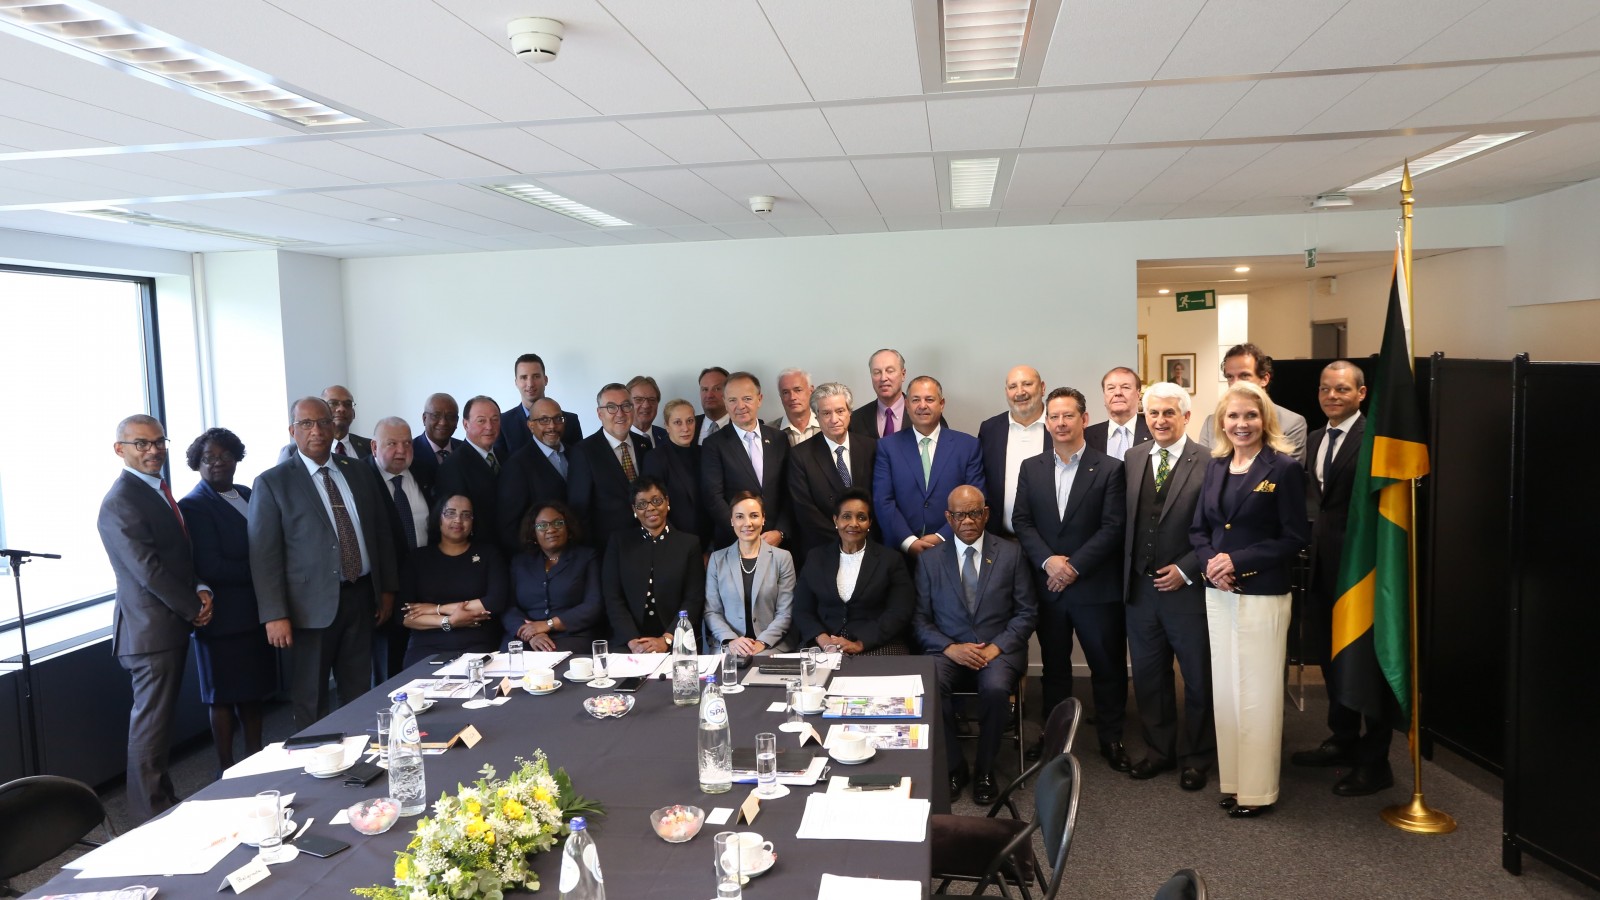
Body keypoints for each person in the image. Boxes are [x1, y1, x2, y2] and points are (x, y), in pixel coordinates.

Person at [1190, 381, 1310, 818]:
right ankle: (1235, 781)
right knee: (1226, 691)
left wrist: (1234, 562)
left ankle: (1259, 791)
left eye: (1250, 415)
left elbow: (1295, 537)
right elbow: (1198, 529)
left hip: (1261, 594)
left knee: (1256, 694)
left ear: (1265, 419)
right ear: (1222, 422)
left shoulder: (1283, 468)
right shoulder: (1217, 465)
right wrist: (1210, 564)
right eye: (1234, 416)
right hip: (1218, 593)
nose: (1242, 424)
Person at [249, 396, 398, 730]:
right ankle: (313, 764)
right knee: (311, 696)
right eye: (306, 424)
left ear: (334, 427)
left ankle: (361, 757)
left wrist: (386, 588)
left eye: (324, 422)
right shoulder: (273, 482)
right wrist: (274, 615)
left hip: (360, 597)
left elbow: (379, 532)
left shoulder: (357, 471)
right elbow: (264, 555)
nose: (316, 430)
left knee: (359, 689)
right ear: (292, 430)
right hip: (307, 609)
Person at [98, 415, 213, 822]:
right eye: (141, 444)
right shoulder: (121, 501)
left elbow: (176, 558)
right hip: (149, 632)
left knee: (158, 727)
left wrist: (199, 588)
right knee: (150, 729)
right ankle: (148, 816)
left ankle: (161, 803)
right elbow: (148, 570)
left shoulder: (154, 491)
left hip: (165, 626)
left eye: (158, 442)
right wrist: (192, 607)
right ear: (120, 450)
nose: (153, 450)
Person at [1290, 361, 1395, 796]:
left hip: (1362, 572)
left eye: (1342, 389)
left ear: (1361, 393)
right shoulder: (1315, 439)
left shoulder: (1376, 442)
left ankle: (1376, 761)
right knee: (1333, 661)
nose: (1332, 396)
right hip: (1320, 570)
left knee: (1366, 665)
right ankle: (1343, 739)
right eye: (1325, 389)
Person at [1012, 387, 1129, 771]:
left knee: (1106, 666)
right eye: (1055, 417)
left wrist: (1073, 567)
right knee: (1054, 667)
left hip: (1094, 588)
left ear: (1084, 418)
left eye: (1068, 416)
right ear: (1047, 422)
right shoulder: (1032, 467)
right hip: (1049, 588)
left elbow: (1113, 528)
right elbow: (1022, 522)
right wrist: (1048, 562)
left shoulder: (1110, 468)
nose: (1060, 423)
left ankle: (1112, 737)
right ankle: (1054, 737)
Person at [913, 485, 1037, 804]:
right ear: (948, 518)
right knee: (929, 686)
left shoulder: (1011, 553)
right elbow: (919, 619)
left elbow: (1027, 612)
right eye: (958, 515)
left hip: (997, 650)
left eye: (973, 513)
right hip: (948, 650)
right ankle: (955, 767)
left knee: (996, 690)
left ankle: (985, 769)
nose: (966, 521)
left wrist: (997, 646)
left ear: (985, 514)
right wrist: (949, 648)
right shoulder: (929, 561)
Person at [1121, 383, 1214, 791]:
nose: (1159, 420)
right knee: (1148, 677)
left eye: (1169, 413)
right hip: (1139, 591)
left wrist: (1188, 568)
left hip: (1187, 591)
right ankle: (1160, 751)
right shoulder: (1132, 457)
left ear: (1186, 417)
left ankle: (1197, 757)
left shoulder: (1210, 462)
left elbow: (1215, 528)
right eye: (1153, 413)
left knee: (1197, 679)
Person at [178, 428, 274, 773]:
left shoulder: (247, 493)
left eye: (224, 456)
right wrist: (264, 570)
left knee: (251, 694)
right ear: (197, 464)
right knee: (222, 698)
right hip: (221, 620)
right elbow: (210, 565)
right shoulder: (194, 505)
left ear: (236, 458)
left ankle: (256, 758)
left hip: (253, 615)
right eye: (208, 458)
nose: (217, 463)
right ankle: (226, 767)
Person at [873, 375, 986, 559]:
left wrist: (941, 537)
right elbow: (883, 500)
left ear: (941, 404)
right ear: (907, 405)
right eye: (915, 400)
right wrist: (909, 541)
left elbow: (976, 500)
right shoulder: (887, 447)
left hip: (953, 549)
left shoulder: (968, 446)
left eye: (929, 399)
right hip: (899, 552)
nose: (922, 405)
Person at [793, 489, 914, 655]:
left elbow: (900, 611)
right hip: (824, 643)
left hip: (876, 643)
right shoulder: (816, 558)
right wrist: (825, 641)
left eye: (862, 517)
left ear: (870, 522)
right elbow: (802, 609)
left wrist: (860, 643)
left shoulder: (891, 559)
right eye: (846, 516)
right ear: (836, 520)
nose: (854, 523)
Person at [398, 494, 507, 667]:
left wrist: (436, 609)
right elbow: (405, 615)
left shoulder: (489, 554)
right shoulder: (418, 558)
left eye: (466, 515)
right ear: (438, 519)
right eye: (450, 513)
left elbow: (494, 602)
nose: (458, 520)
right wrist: (449, 621)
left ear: (472, 522)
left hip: (476, 642)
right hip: (426, 645)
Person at [604, 476, 706, 653]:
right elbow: (613, 597)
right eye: (642, 504)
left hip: (675, 640)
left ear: (667, 502)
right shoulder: (619, 542)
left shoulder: (689, 544)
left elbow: (693, 599)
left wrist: (666, 639)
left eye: (656, 501)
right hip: (628, 642)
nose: (650, 508)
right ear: (634, 510)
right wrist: (632, 641)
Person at [370, 416, 432, 680]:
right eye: (391, 443)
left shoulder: (425, 472)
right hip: (386, 589)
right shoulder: (361, 479)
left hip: (425, 583)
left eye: (407, 443)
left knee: (421, 661)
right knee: (388, 665)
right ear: (374, 447)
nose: (401, 450)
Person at [701, 371, 792, 550]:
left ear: (760, 399)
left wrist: (781, 531)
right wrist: (745, 533)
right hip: (734, 543)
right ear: (725, 403)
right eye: (733, 400)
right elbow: (713, 498)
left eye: (747, 398)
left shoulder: (779, 439)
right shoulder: (713, 444)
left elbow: (790, 491)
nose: (740, 406)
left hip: (777, 542)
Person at [504, 502, 605, 654]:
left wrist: (549, 624)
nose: (551, 529)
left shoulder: (586, 557)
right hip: (525, 637)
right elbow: (507, 606)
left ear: (568, 528)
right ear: (533, 533)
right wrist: (532, 633)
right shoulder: (519, 562)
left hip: (572, 636)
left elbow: (593, 605)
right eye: (542, 526)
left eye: (558, 523)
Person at [788, 382, 877, 555]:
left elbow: (880, 497)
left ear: (850, 412)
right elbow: (805, 510)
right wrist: (845, 537)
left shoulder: (870, 447)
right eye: (826, 413)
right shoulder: (800, 455)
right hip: (824, 548)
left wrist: (862, 535)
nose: (834, 419)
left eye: (840, 411)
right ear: (817, 416)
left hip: (870, 544)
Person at [705, 492, 796, 656]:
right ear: (732, 521)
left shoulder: (783, 558)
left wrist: (762, 642)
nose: (747, 523)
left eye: (754, 516)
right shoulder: (717, 560)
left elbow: (785, 612)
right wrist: (731, 640)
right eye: (740, 517)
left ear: (763, 518)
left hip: (771, 646)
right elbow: (712, 611)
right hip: (728, 647)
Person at [570, 383, 653, 550]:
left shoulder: (644, 444)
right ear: (600, 413)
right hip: (608, 549)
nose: (620, 413)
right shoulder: (584, 451)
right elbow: (579, 512)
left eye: (626, 406)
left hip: (648, 542)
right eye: (611, 407)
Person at [1194, 343, 1309, 463]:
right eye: (1230, 377)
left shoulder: (1292, 423)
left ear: (1265, 379)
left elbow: (1288, 476)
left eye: (1244, 376)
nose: (1236, 383)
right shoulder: (1211, 423)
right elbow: (1204, 471)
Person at [977, 365, 1048, 539]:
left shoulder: (1060, 427)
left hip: (1050, 544)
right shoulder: (990, 429)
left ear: (1043, 387)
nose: (1020, 392)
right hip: (1000, 541)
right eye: (1013, 386)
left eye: (1027, 384)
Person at [497, 397, 572, 549]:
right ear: (531, 425)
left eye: (558, 418)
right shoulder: (517, 465)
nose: (552, 426)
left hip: (578, 551)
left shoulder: (576, 454)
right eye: (544, 420)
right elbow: (510, 525)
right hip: (540, 556)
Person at [437, 395, 505, 552]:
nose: (489, 426)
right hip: (477, 553)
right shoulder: (452, 466)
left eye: (495, 419)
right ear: (466, 424)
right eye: (481, 420)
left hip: (509, 550)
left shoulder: (506, 457)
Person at [642, 398, 709, 542]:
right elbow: (654, 506)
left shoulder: (705, 453)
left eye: (690, 421)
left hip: (707, 542)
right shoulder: (655, 458)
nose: (685, 428)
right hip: (673, 542)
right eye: (677, 422)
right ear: (667, 426)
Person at [497, 353, 583, 459]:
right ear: (516, 383)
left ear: (545, 380)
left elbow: (579, 462)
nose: (530, 384)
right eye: (524, 377)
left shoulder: (571, 421)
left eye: (536, 376)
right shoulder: (502, 423)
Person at [275, 385, 372, 463]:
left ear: (354, 413)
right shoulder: (291, 452)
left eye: (347, 404)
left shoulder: (369, 446)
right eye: (333, 403)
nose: (341, 409)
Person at [1085, 366, 1152, 458]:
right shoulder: (1086, 436)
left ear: (1138, 394)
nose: (1118, 393)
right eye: (1111, 388)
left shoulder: (1155, 431)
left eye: (1125, 387)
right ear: (1104, 395)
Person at [852, 348, 908, 440]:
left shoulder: (923, 413)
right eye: (877, 372)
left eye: (889, 371)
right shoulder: (856, 419)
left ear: (903, 374)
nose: (883, 378)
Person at [411, 392, 463, 487]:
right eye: (436, 415)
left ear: (457, 421)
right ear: (424, 418)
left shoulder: (464, 450)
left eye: (450, 416)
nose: (443, 422)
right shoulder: (410, 452)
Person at [771, 367, 820, 445]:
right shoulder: (768, 432)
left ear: (811, 391)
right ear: (781, 396)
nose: (792, 397)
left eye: (798, 390)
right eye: (786, 392)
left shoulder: (828, 425)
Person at [628, 375, 669, 449]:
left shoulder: (667, 436)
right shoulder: (620, 439)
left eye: (652, 399)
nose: (646, 405)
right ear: (627, 404)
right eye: (638, 399)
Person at [694, 366, 730, 444]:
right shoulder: (689, 425)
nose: (709, 395)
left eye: (717, 389)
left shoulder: (742, 426)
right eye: (705, 389)